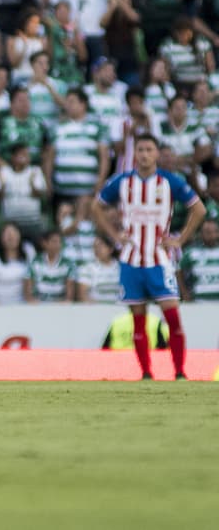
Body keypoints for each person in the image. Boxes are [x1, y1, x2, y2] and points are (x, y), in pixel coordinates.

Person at [92, 135, 205, 380]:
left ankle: (179, 371)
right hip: (131, 260)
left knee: (172, 317)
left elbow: (199, 208)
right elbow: (96, 206)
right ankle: (145, 372)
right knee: (138, 320)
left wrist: (180, 239)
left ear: (157, 154)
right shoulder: (122, 181)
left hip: (159, 260)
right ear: (135, 154)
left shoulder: (170, 181)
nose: (144, 154)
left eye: (149, 150)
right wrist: (114, 235)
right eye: (140, 149)